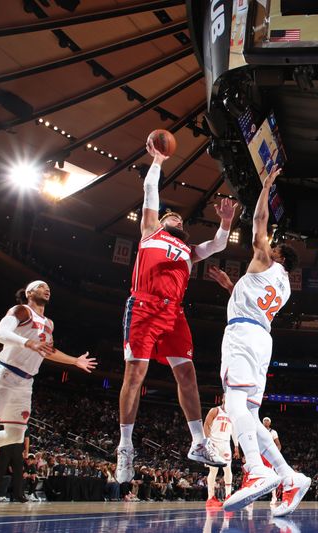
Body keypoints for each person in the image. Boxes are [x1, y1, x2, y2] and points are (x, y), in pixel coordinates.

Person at [116, 137, 238, 483]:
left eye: (179, 217)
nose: (175, 217)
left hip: (174, 314)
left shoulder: (188, 250)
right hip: (143, 306)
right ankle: (125, 446)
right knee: (134, 376)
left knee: (188, 375)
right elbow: (150, 192)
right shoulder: (149, 232)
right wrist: (156, 161)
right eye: (171, 214)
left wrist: (226, 221)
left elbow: (218, 244)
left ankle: (199, 442)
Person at [215, 164, 309, 516]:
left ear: (279, 256)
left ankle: (256, 471)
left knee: (233, 403)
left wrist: (267, 185)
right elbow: (253, 301)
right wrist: (229, 287)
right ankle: (288, 474)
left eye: (275, 247)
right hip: (261, 339)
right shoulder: (283, 286)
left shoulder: (265, 260)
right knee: (251, 414)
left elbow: (258, 221)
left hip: (242, 335)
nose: (269, 246)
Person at [0, 281, 96, 453]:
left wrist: (75, 361)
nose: (46, 289)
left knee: (15, 435)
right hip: (4, 374)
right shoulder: (21, 310)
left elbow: (48, 351)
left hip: (25, 383)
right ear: (29, 293)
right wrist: (29, 343)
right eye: (41, 286)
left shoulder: (49, 323)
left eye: (48, 288)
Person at [204, 399, 239, 508]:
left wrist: (236, 446)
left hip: (226, 444)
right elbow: (206, 425)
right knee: (213, 470)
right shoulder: (215, 410)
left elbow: (234, 431)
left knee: (228, 469)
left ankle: (228, 496)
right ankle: (210, 498)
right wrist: (207, 442)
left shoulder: (233, 414)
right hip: (214, 443)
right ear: (223, 398)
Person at [262, 417, 282, 506]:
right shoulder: (259, 431)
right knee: (256, 474)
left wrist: (276, 454)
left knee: (271, 475)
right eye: (264, 421)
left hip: (269, 455)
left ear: (270, 423)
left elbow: (278, 445)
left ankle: (274, 497)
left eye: (267, 421)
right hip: (260, 454)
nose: (266, 422)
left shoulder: (273, 432)